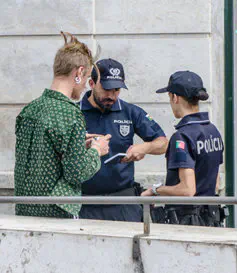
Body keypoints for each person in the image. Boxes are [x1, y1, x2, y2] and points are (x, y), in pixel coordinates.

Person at [14, 32, 110, 218]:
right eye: (86, 78)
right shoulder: (70, 113)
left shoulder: (30, 109)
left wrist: (76, 144)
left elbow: (41, 154)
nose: (85, 86)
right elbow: (76, 173)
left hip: (24, 211)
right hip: (54, 213)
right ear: (79, 72)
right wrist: (96, 150)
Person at [79, 58, 168, 222]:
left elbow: (163, 143)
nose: (111, 95)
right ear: (91, 84)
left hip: (123, 203)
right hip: (84, 203)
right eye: (106, 89)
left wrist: (144, 148)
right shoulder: (74, 113)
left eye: (117, 90)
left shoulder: (130, 112)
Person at [142, 71, 226, 227]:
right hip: (211, 220)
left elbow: (187, 190)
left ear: (175, 97)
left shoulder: (182, 136)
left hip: (187, 224)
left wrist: (156, 191)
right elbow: (215, 181)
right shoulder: (213, 130)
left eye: (169, 97)